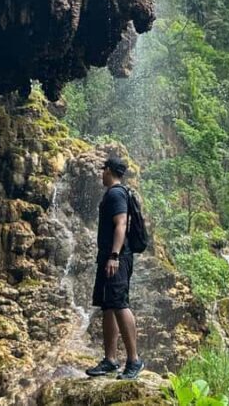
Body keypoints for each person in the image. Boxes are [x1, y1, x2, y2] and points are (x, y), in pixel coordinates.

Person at [85, 156, 145, 380]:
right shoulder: (115, 194)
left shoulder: (116, 193)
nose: (101, 174)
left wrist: (114, 255)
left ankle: (134, 360)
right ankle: (110, 360)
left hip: (116, 258)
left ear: (109, 170)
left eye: (103, 171)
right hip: (108, 257)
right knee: (108, 305)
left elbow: (121, 224)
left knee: (119, 304)